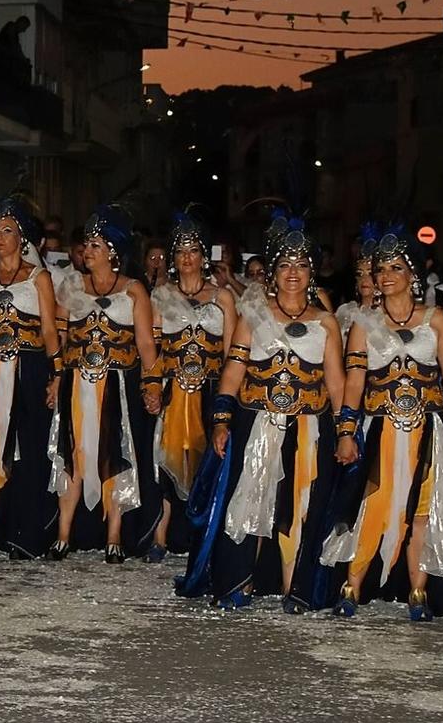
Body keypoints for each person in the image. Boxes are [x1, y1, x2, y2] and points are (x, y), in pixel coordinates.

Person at [181, 212, 343, 610]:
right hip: (256, 421)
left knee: (300, 504)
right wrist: (221, 421)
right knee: (249, 499)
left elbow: (337, 383)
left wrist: (346, 432)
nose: (293, 273)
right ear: (272, 272)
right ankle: (239, 579)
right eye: (284, 265)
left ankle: (295, 586)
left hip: (310, 427)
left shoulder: (326, 322)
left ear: (312, 272)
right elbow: (233, 372)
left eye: (301, 265)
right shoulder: (253, 317)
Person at [322, 224, 443, 620]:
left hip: (429, 430)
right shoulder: (363, 324)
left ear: (412, 273)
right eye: (381, 270)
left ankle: (418, 592)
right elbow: (354, 384)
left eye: (395, 268)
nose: (386, 276)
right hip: (381, 431)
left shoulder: (435, 318)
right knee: (371, 506)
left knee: (423, 509)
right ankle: (351, 587)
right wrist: (346, 432)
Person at [47, 204, 157, 561]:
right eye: (86, 245)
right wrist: (55, 379)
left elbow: (145, 344)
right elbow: (60, 339)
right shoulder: (71, 286)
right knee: (74, 454)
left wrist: (152, 384)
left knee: (115, 454)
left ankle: (114, 535)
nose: (87, 251)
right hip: (77, 384)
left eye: (95, 245)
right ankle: (63, 533)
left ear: (112, 251)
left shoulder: (134, 290)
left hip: (118, 386)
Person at [0, 195, 62, 558]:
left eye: (7, 231)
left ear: (22, 238)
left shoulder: (39, 279)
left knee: (24, 450)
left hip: (27, 371)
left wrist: (58, 374)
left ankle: (21, 530)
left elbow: (50, 331)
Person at [147, 214, 236, 556]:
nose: (187, 258)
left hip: (210, 390)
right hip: (173, 391)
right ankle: (160, 537)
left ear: (204, 256)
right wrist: (151, 386)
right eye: (180, 251)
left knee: (205, 465)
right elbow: (152, 350)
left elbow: (232, 353)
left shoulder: (223, 298)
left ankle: (201, 537)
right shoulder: (161, 296)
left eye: (194, 251)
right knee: (165, 462)